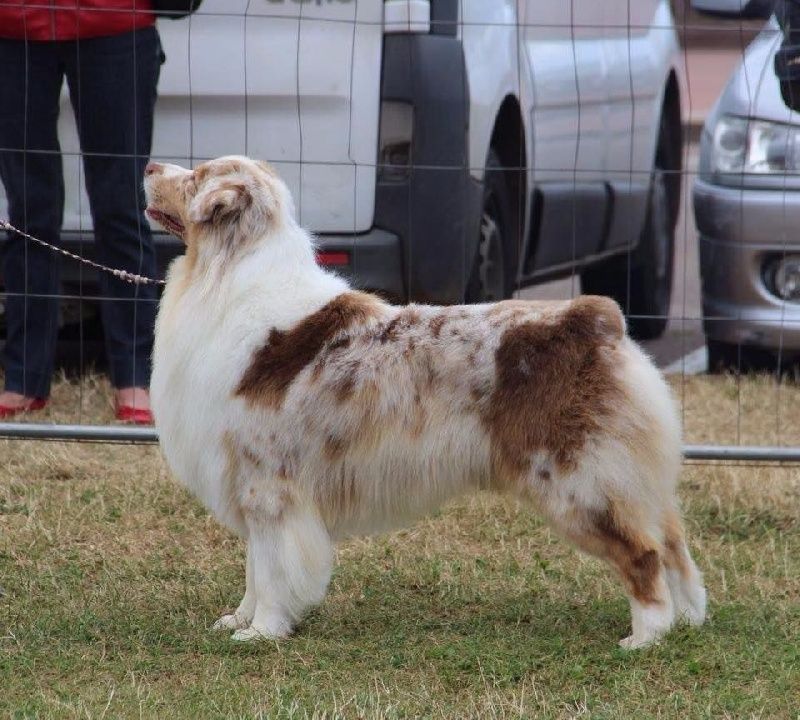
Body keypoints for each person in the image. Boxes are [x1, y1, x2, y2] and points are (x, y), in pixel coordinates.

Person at [0, 0, 163, 423]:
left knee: (121, 208)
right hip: (12, 26)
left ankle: (136, 378)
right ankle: (23, 378)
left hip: (114, 20)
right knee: (29, 212)